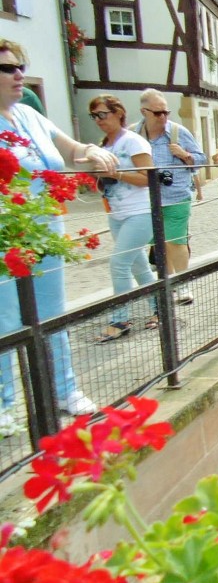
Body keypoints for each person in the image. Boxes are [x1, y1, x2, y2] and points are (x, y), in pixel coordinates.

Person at [0, 39, 117, 419]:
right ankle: (5, 404)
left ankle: (63, 389)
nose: (19, 75)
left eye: (19, 66)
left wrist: (92, 152)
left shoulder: (30, 115)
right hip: (6, 237)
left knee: (52, 312)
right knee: (5, 320)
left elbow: (71, 151)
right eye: (7, 69)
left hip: (47, 230)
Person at [89, 94, 159, 342]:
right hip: (116, 213)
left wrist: (116, 174)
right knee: (139, 264)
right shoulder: (103, 145)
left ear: (118, 113)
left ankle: (119, 319)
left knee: (119, 263)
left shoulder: (133, 142)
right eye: (94, 116)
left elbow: (147, 178)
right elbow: (104, 182)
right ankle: (159, 308)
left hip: (139, 212)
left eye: (102, 114)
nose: (98, 120)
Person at [135, 88, 206, 305]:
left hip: (176, 196)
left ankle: (183, 284)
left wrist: (184, 155)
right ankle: (167, 283)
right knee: (158, 242)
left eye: (166, 112)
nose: (163, 117)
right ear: (144, 111)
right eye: (157, 113)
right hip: (145, 199)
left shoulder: (178, 132)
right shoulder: (134, 135)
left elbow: (202, 159)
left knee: (176, 240)